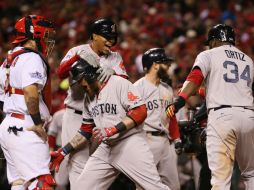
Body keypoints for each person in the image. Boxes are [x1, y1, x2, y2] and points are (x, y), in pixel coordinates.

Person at [50, 57, 170, 190]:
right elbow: (85, 130)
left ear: (89, 75)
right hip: (106, 147)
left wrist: (112, 130)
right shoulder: (89, 98)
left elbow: (139, 112)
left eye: (81, 81)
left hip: (129, 143)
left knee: (153, 187)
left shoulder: (118, 83)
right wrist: (63, 151)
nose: (80, 86)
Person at [165, 24, 254, 190]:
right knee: (251, 173)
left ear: (214, 41)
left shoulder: (209, 54)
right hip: (249, 117)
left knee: (221, 179)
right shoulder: (248, 60)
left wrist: (180, 99)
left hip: (223, 118)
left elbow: (195, 78)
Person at [55, 18, 128, 189]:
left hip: (100, 118)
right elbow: (60, 73)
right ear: (94, 36)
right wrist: (77, 57)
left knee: (97, 167)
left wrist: (114, 73)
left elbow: (125, 82)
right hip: (76, 115)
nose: (110, 41)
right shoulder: (78, 50)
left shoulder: (115, 57)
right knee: (78, 164)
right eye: (106, 36)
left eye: (113, 37)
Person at [0, 15, 56, 190]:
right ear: (35, 35)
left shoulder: (7, 61)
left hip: (8, 125)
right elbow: (30, 93)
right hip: (27, 126)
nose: (48, 40)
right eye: (45, 35)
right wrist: (38, 124)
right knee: (42, 182)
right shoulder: (32, 58)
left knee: (19, 184)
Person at [134, 48, 181, 190]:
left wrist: (177, 138)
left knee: (174, 186)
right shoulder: (137, 88)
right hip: (146, 139)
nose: (169, 66)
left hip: (166, 142)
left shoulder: (167, 88)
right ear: (155, 65)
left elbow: (171, 116)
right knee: (143, 186)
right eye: (165, 63)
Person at [47, 108, 69, 190]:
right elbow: (52, 134)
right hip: (61, 150)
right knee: (60, 182)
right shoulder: (59, 115)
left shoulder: (85, 113)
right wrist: (51, 151)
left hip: (79, 151)